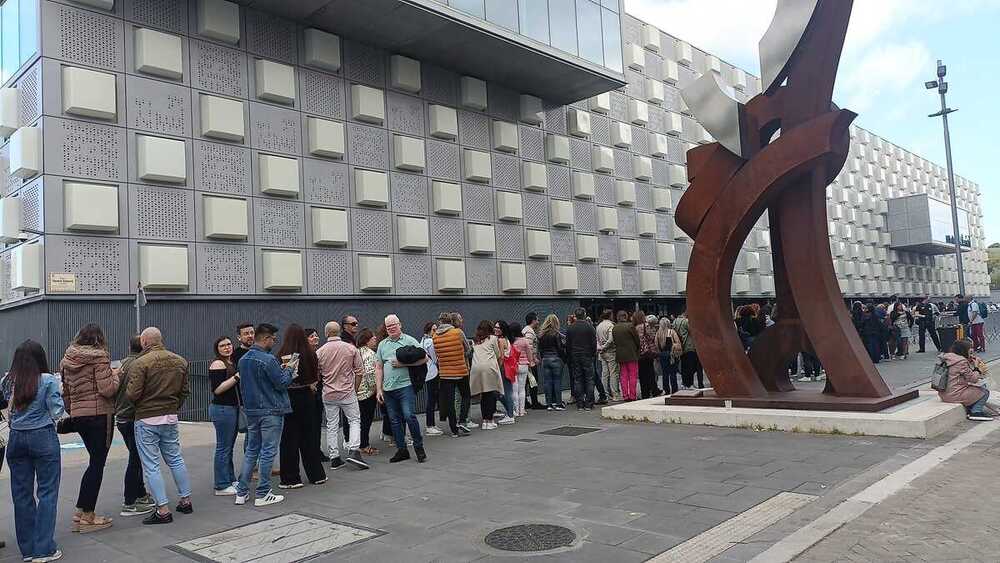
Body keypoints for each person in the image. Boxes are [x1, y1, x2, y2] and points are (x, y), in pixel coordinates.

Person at [2, 340, 64, 563]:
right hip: (43, 437)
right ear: (41, 358)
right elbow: (57, 410)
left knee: (21, 494)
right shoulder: (48, 380)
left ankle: (27, 550)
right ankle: (44, 549)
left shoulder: (8, 381)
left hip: (16, 439)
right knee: (47, 492)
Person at [127, 327, 193, 524]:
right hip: (170, 416)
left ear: (145, 342)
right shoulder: (180, 360)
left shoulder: (141, 363)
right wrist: (173, 406)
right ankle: (186, 500)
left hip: (147, 418)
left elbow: (132, 394)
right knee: (175, 459)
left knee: (151, 465)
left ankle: (162, 510)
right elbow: (185, 391)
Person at [60, 323, 118, 533]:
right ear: (99, 339)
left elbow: (65, 393)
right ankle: (88, 515)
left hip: (79, 416)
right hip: (100, 415)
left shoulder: (67, 360)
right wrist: (116, 375)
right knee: (97, 464)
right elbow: (107, 389)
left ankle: (80, 509)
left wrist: (74, 410)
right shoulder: (100, 357)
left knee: (94, 462)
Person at [235, 323, 295, 507]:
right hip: (271, 410)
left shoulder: (243, 360)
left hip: (252, 411)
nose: (274, 342)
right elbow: (281, 383)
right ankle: (262, 493)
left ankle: (241, 492)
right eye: (273, 339)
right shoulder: (268, 360)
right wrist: (290, 369)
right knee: (268, 451)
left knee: (252, 450)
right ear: (266, 338)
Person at [276, 324, 327, 489]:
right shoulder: (311, 354)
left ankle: (291, 478)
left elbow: (282, 379)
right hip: (308, 396)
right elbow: (316, 376)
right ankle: (317, 475)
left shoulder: (283, 354)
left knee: (289, 438)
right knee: (309, 437)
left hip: (290, 397)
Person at [316, 321, 369, 470]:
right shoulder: (351, 348)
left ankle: (334, 458)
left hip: (329, 394)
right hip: (347, 392)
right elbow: (360, 371)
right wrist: (355, 388)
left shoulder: (319, 352)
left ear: (326, 333)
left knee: (331, 426)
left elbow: (317, 374)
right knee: (354, 420)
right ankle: (354, 451)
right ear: (339, 332)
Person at [375, 315, 427, 462]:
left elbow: (425, 359)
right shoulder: (382, 345)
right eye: (388, 326)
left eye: (393, 325)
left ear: (400, 325)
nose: (391, 328)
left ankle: (419, 447)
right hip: (388, 389)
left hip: (405, 386)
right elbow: (378, 368)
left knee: (409, 416)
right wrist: (379, 389)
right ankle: (401, 450)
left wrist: (404, 365)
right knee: (394, 420)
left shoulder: (409, 340)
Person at [114, 335, 155, 516]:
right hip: (134, 417)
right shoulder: (141, 365)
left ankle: (140, 494)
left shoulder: (122, 364)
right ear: (145, 346)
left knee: (135, 456)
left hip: (122, 417)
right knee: (136, 460)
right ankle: (129, 501)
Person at [208, 336, 242, 496]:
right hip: (222, 409)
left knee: (228, 446)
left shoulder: (230, 363)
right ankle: (221, 484)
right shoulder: (218, 364)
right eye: (222, 345)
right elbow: (217, 389)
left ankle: (229, 478)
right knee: (223, 447)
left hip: (231, 408)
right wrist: (236, 377)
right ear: (217, 349)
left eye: (229, 344)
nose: (227, 347)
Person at [433, 312, 472, 437]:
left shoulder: (435, 336)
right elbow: (468, 349)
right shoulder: (458, 333)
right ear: (451, 321)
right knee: (466, 395)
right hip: (461, 371)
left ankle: (454, 430)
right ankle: (462, 420)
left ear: (439, 322)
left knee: (449, 402)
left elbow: (437, 355)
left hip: (445, 374)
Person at [938, 339, 993, 421]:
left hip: (944, 393)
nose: (971, 354)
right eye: (970, 351)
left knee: (977, 388)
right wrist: (977, 368)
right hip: (954, 395)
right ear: (964, 350)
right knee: (984, 392)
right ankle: (976, 412)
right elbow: (973, 379)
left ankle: (971, 408)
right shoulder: (961, 361)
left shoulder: (948, 358)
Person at [469, 321, 504, 429]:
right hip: (489, 368)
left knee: (483, 396)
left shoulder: (474, 341)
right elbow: (498, 354)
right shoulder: (493, 338)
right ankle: (489, 421)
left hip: (475, 369)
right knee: (489, 394)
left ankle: (484, 421)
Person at [566, 307, 598, 410]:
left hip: (575, 355)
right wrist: (593, 355)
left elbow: (568, 344)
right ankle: (589, 403)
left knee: (577, 379)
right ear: (584, 314)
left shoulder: (571, 328)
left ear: (575, 315)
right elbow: (594, 344)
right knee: (589, 379)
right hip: (587, 355)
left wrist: (570, 356)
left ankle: (580, 403)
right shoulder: (590, 327)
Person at [356, 328, 380, 456]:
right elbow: (371, 374)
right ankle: (364, 445)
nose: (375, 339)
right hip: (367, 393)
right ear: (367, 340)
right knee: (366, 420)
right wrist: (377, 389)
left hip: (356, 392)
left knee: (358, 421)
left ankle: (358, 443)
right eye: (372, 338)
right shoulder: (371, 354)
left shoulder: (356, 352)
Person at [537, 314, 566, 410]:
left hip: (545, 359)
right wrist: (563, 358)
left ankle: (549, 404)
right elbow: (560, 348)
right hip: (556, 359)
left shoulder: (541, 334)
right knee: (557, 381)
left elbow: (540, 349)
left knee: (547, 382)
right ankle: (558, 404)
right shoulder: (556, 334)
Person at [420, 322, 443, 436]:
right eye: (434, 330)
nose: (436, 331)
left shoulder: (423, 341)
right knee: (431, 399)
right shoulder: (430, 342)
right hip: (433, 372)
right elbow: (435, 358)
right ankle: (430, 425)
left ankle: (431, 424)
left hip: (427, 372)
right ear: (429, 330)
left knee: (431, 398)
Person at [612, 311, 641, 400]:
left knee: (623, 375)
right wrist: (637, 349)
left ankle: (625, 395)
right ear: (626, 317)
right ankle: (632, 395)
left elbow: (615, 341)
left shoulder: (614, 328)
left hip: (620, 354)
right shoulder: (630, 326)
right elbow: (637, 340)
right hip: (631, 353)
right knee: (633, 375)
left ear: (618, 317)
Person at [509, 322, 535, 417]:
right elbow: (529, 353)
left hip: (514, 366)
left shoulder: (511, 341)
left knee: (514, 389)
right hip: (524, 366)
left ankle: (515, 410)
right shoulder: (524, 341)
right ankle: (522, 410)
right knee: (522, 389)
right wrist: (531, 362)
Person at [673, 310, 704, 389]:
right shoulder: (686, 321)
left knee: (684, 366)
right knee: (690, 366)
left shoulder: (675, 321)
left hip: (680, 346)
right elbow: (693, 331)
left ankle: (684, 383)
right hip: (688, 346)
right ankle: (689, 384)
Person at [493, 320, 516, 423]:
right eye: (495, 327)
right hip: (508, 367)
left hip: (503, 368)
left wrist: (497, 368)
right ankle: (511, 411)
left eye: (498, 328)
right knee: (504, 391)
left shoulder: (501, 340)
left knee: (504, 392)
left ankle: (510, 414)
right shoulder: (506, 339)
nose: (496, 329)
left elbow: (501, 357)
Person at [596, 309, 620, 401]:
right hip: (610, 352)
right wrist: (604, 347)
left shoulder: (599, 326)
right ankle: (615, 394)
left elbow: (597, 339)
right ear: (610, 315)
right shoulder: (611, 325)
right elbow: (611, 340)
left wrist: (600, 348)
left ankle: (605, 393)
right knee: (613, 373)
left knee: (604, 374)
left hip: (601, 353)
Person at [523, 312, 544, 409]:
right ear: (533, 320)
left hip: (526, 361)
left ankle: (526, 402)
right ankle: (534, 402)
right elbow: (529, 347)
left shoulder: (526, 330)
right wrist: (533, 359)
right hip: (530, 362)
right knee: (533, 382)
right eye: (537, 320)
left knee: (527, 382)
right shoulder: (529, 332)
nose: (538, 322)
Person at [637, 314, 661, 399]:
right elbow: (651, 337)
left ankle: (645, 392)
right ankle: (654, 390)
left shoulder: (635, 327)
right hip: (648, 352)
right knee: (650, 372)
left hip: (639, 353)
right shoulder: (646, 326)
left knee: (642, 374)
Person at [656, 317, 681, 395]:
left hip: (662, 355)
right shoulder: (671, 332)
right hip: (671, 355)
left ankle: (666, 390)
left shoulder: (658, 333)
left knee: (665, 374)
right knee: (673, 373)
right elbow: (678, 343)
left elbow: (656, 345)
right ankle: (674, 390)